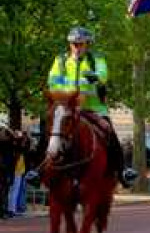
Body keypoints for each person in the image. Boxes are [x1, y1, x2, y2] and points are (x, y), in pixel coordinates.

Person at [29, 27, 137, 188]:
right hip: (67, 107)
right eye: (74, 44)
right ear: (69, 44)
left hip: (93, 108)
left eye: (81, 44)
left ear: (87, 45)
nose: (77, 47)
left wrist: (95, 77)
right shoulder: (61, 60)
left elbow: (103, 75)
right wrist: (68, 95)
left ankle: (122, 171)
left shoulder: (96, 59)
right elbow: (52, 80)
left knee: (108, 129)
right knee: (48, 128)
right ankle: (37, 170)